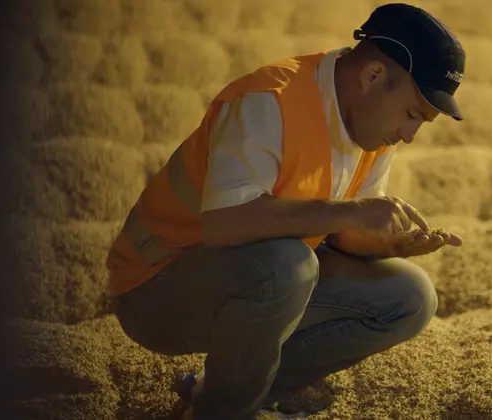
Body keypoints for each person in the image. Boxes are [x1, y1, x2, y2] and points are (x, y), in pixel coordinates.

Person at [105, 3, 467, 420]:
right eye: (411, 114)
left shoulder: (373, 130)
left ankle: (241, 389)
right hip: (154, 291)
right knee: (287, 265)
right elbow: (224, 224)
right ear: (372, 76)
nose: (409, 135)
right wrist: (350, 213)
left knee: (411, 296)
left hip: (254, 276)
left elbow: (340, 236)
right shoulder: (269, 100)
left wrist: (391, 245)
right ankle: (220, 412)